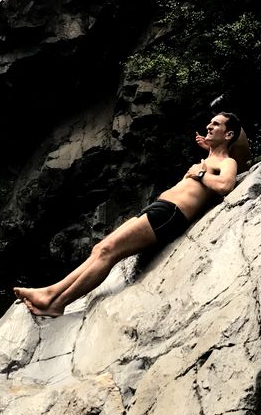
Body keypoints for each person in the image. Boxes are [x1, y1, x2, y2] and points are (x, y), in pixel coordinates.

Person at [13, 112, 248, 318]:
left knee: (108, 252)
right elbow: (211, 160)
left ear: (228, 135)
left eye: (216, 124)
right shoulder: (209, 159)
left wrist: (199, 174)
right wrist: (207, 151)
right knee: (100, 249)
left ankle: (57, 303)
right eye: (210, 122)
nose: (209, 126)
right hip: (160, 209)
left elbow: (226, 185)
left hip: (171, 214)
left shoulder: (226, 163)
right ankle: (50, 293)